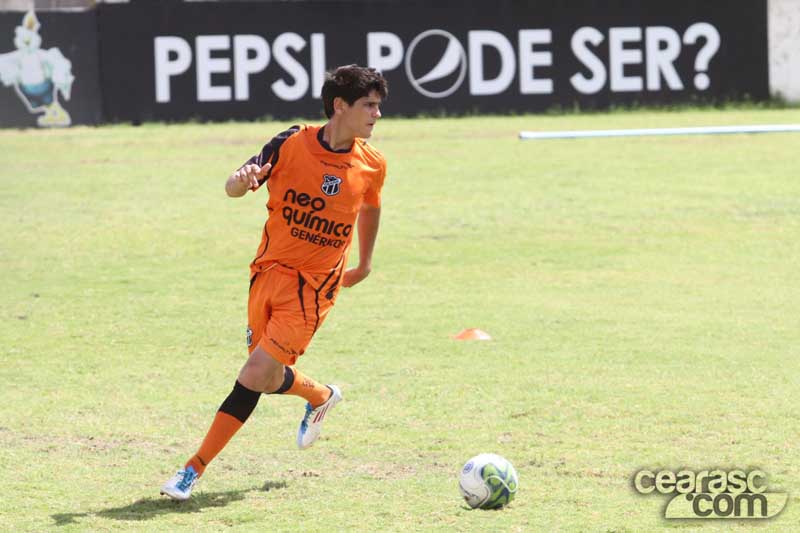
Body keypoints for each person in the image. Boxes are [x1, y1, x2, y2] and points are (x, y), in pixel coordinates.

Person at [161, 65, 388, 500]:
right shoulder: (290, 142)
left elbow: (372, 207)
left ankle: (191, 470)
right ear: (340, 106)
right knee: (264, 378)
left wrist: (367, 261)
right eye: (369, 105)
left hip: (314, 287)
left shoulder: (372, 164)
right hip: (267, 273)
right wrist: (239, 181)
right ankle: (321, 396)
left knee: (254, 372)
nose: (377, 114)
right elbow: (233, 186)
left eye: (379, 106)